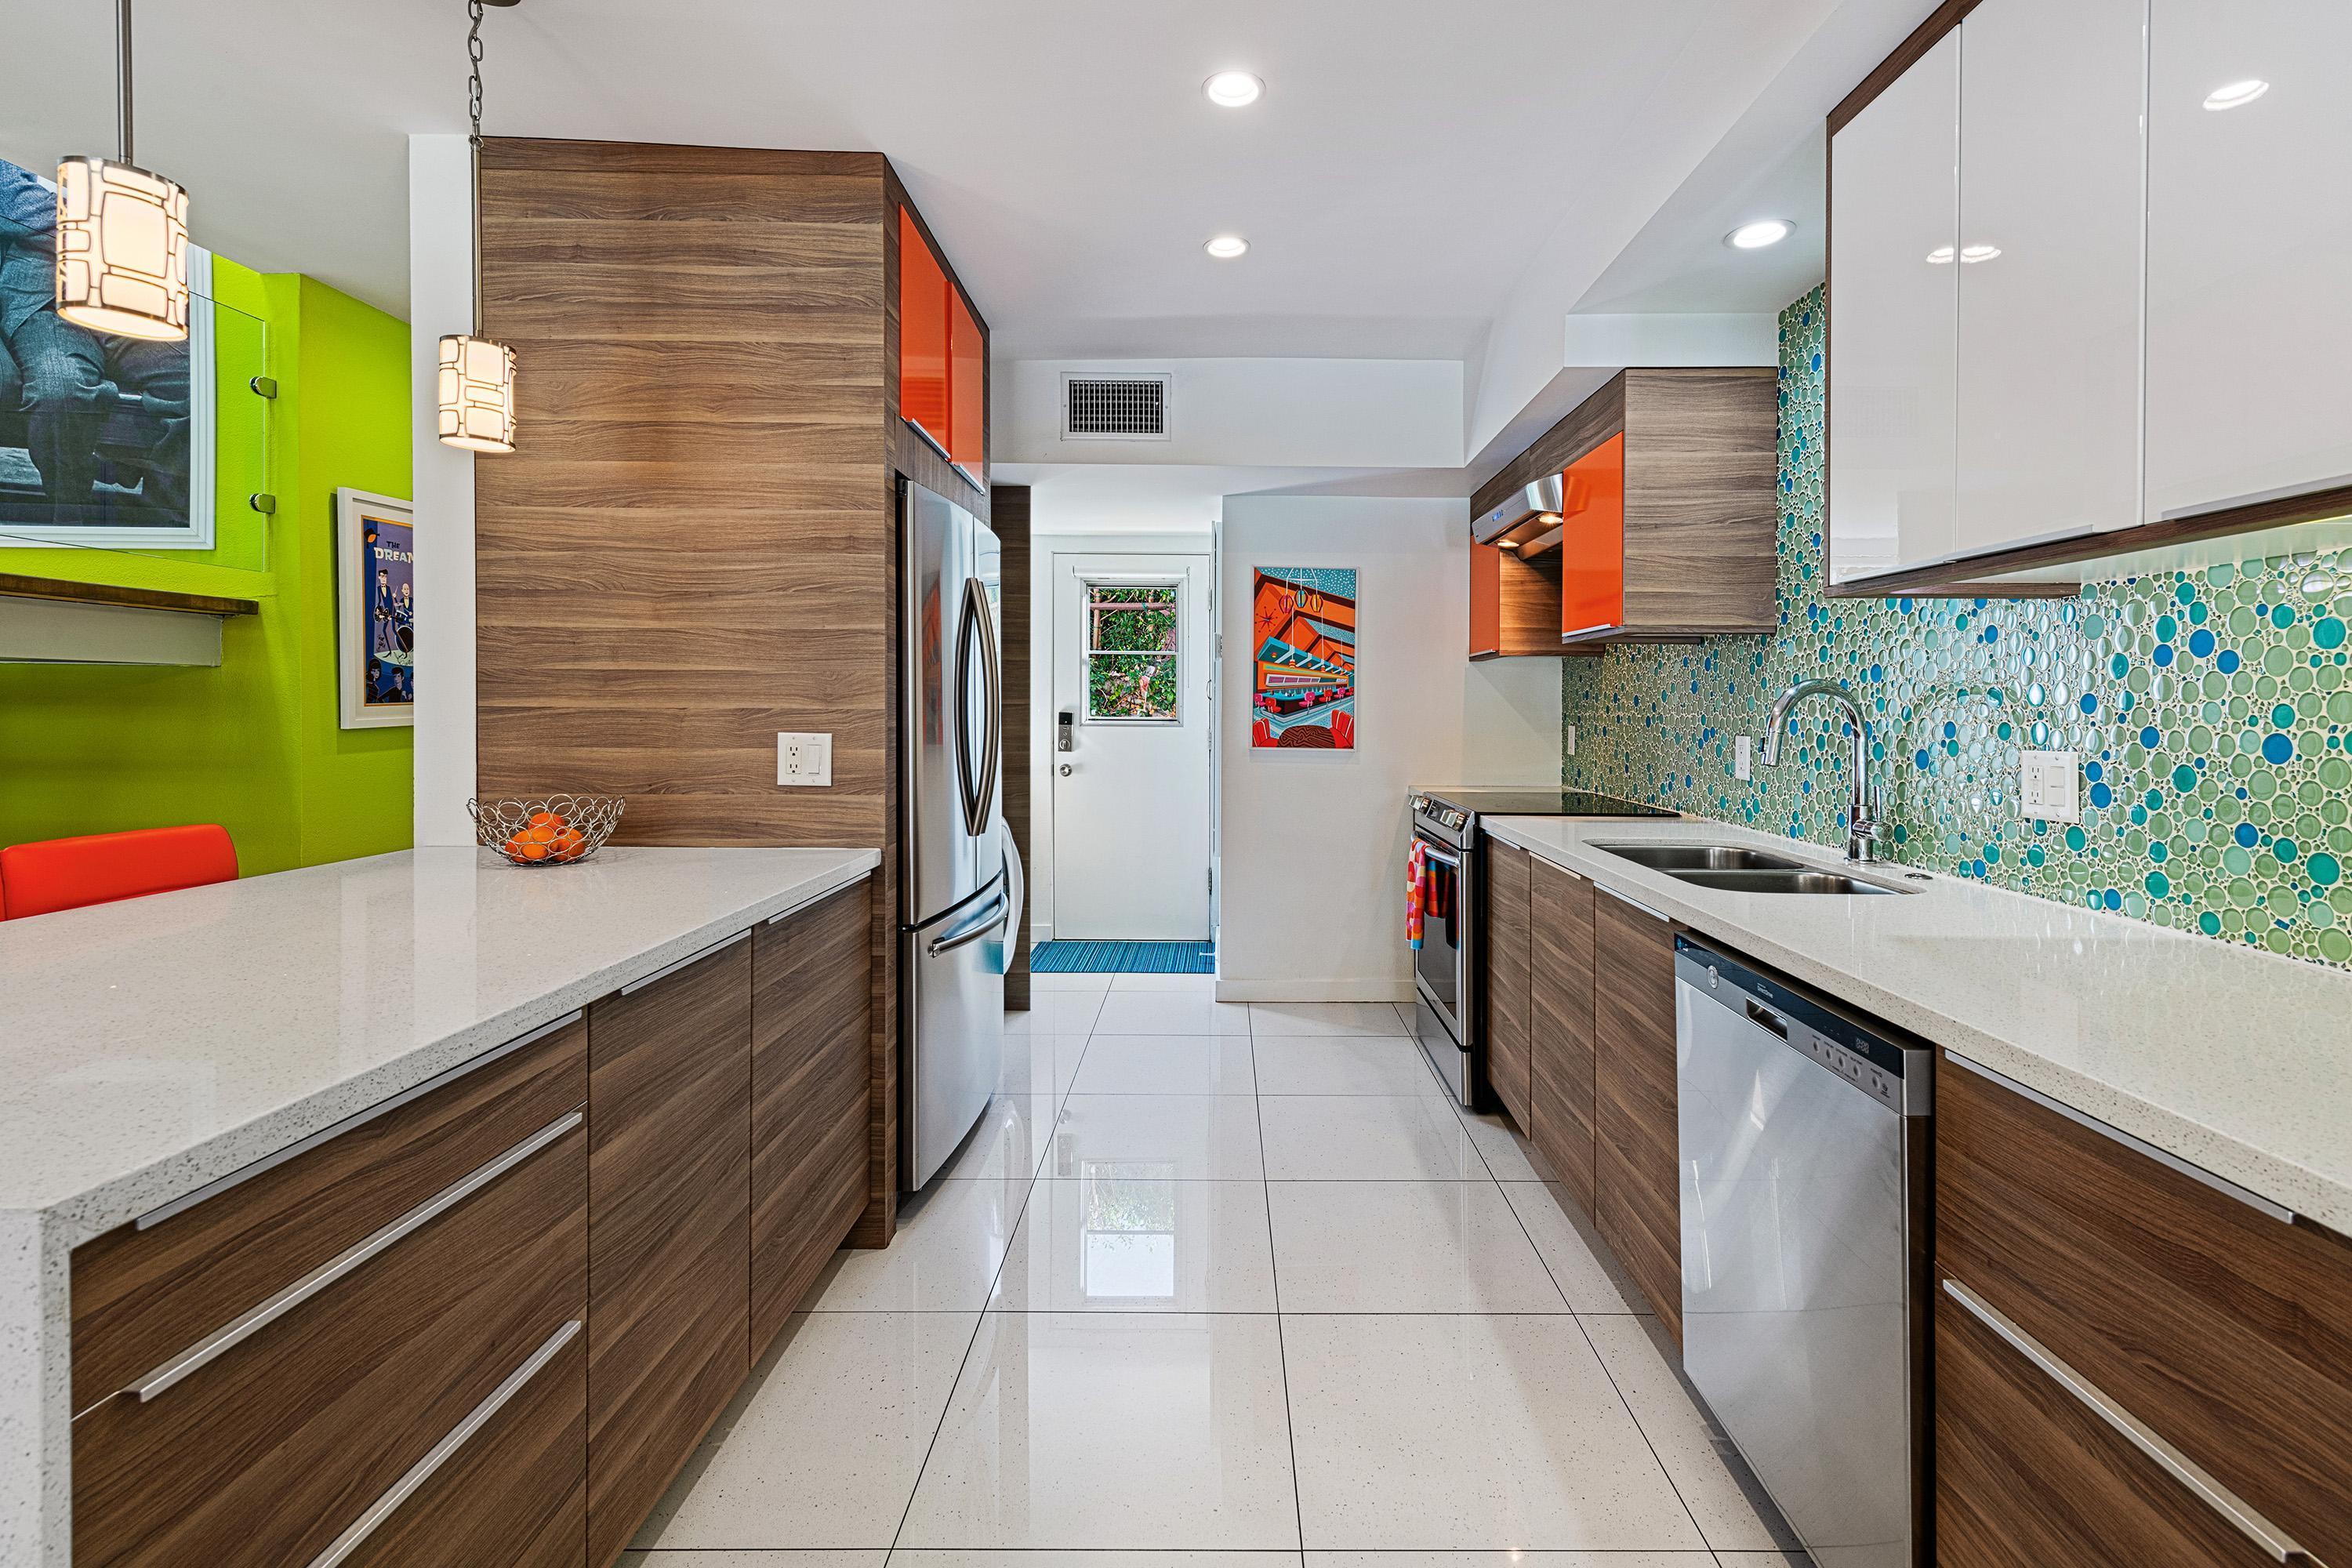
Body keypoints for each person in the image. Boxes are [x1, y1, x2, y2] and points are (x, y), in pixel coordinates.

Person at [0, 161, 109, 524]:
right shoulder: (17, 150)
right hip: (47, 297)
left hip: (149, 296)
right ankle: (72, 513)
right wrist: (122, 224)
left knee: (192, 390)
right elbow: (24, 211)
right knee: (58, 388)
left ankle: (170, 512)